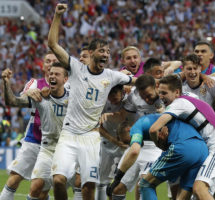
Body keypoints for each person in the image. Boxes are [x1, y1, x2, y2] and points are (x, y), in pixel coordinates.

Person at [48, 4, 134, 199]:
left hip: (91, 138)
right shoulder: (76, 68)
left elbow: (138, 80)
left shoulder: (112, 76)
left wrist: (162, 80)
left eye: (108, 51)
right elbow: (53, 44)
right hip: (69, 134)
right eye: (102, 50)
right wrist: (58, 16)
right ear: (92, 52)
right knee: (58, 180)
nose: (105, 54)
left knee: (88, 186)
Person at [149, 74, 215, 200]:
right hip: (209, 147)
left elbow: (153, 129)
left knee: (199, 189)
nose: (161, 96)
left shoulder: (178, 104)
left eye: (164, 93)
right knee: (198, 194)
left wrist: (160, 145)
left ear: (177, 92)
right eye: (159, 92)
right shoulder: (190, 96)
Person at [2, 63, 69, 200]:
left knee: (68, 185)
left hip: (66, 149)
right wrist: (6, 83)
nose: (52, 76)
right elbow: (13, 101)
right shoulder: (40, 97)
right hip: (46, 148)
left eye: (57, 74)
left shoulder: (74, 98)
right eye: (51, 74)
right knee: (35, 186)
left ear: (66, 79)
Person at [108, 113, 208, 200]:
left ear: (128, 129)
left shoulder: (136, 127)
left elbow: (134, 151)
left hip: (183, 147)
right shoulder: (161, 119)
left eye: (127, 141)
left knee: (146, 184)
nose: (129, 144)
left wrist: (117, 179)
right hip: (202, 149)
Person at [105, 75, 163, 199]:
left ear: (156, 86)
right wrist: (106, 115)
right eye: (143, 96)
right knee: (115, 189)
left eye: (149, 95)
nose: (147, 100)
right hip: (137, 143)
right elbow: (124, 116)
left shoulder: (165, 95)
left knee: (145, 184)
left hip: (156, 146)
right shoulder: (133, 97)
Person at [95, 85, 129, 200]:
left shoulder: (129, 101)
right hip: (106, 143)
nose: (112, 96)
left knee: (119, 181)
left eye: (115, 93)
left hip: (124, 145)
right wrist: (115, 141)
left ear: (122, 92)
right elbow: (97, 127)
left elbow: (122, 116)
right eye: (110, 94)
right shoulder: (102, 103)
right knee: (101, 181)